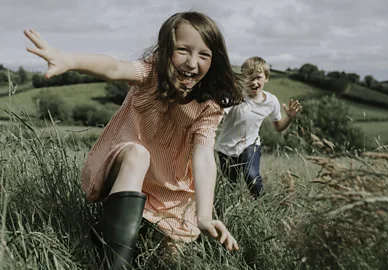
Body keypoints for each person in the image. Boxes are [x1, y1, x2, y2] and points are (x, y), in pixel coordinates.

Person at [24, 11, 243, 269]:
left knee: (172, 260)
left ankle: (129, 232)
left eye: (203, 55)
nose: (192, 63)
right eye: (183, 50)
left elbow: (204, 156)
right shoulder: (150, 72)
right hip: (125, 164)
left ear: (214, 59)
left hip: (169, 188)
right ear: (166, 50)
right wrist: (69, 60)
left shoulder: (208, 104)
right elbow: (114, 67)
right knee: (138, 154)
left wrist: (204, 216)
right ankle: (114, 264)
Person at [215, 56, 302, 198]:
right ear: (243, 78)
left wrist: (290, 117)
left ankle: (261, 204)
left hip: (251, 144)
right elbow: (217, 117)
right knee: (230, 187)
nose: (254, 82)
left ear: (266, 78)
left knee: (252, 176)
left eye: (258, 77)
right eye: (249, 77)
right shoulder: (235, 97)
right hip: (227, 147)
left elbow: (279, 127)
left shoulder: (271, 101)